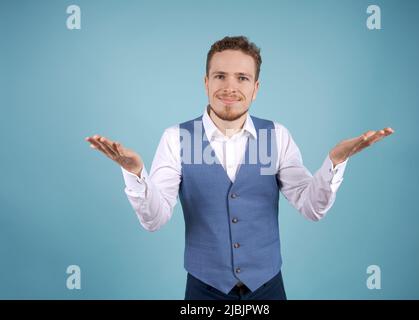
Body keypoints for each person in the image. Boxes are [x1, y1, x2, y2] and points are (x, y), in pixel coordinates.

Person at [85, 36, 394, 300]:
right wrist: (135, 173)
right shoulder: (176, 138)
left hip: (267, 288)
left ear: (256, 87)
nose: (229, 87)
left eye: (242, 78)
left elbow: (311, 207)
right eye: (220, 76)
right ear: (206, 83)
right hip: (204, 290)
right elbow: (155, 219)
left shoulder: (276, 136)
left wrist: (335, 161)